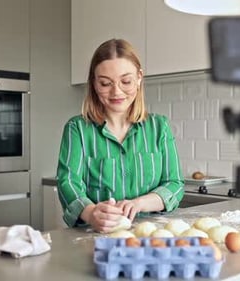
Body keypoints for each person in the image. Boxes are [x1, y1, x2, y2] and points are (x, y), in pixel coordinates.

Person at [56, 38, 184, 233]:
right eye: (105, 83)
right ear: (93, 83)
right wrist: (91, 213)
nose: (117, 92)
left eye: (126, 81)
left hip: (151, 237)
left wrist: (139, 204)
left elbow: (174, 184)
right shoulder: (78, 129)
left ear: (139, 77)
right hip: (96, 238)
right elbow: (68, 183)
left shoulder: (159, 127)